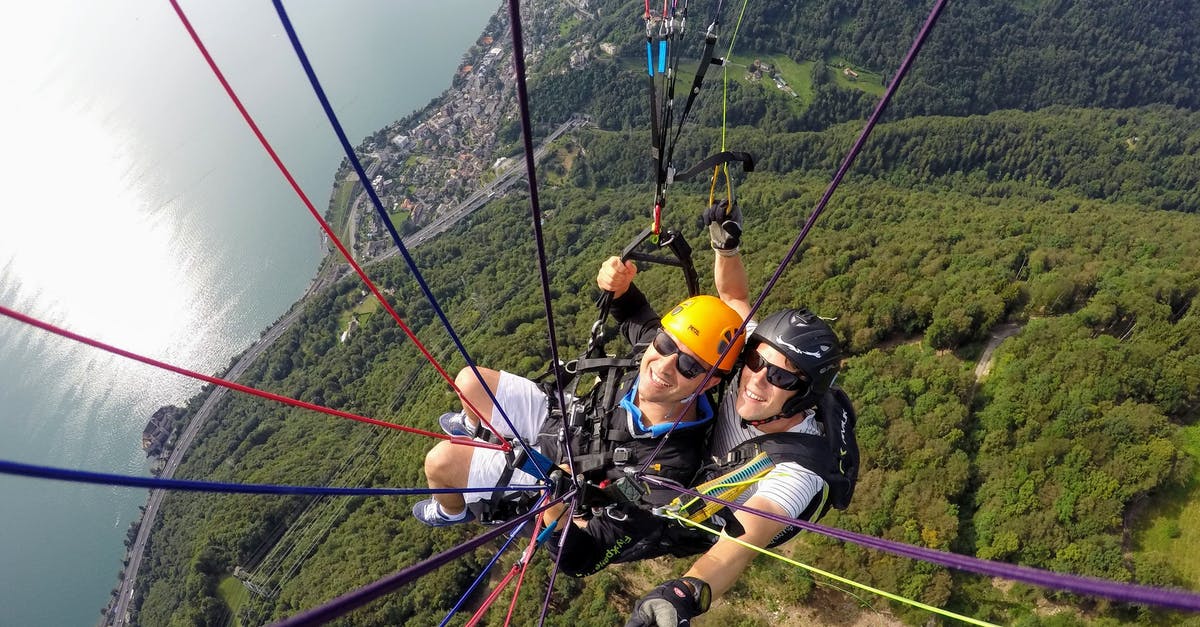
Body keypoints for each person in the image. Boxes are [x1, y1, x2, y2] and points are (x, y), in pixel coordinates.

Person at [612, 202, 860, 626]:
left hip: (709, 509)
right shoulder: (754, 359)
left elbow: (741, 542)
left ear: (804, 396)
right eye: (754, 363)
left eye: (782, 379)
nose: (757, 380)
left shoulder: (797, 473)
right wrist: (726, 250)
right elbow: (734, 298)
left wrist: (684, 593)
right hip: (702, 457)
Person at [414, 280, 747, 575]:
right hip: (566, 420)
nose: (664, 364)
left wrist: (557, 508)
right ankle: (476, 428)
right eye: (665, 344)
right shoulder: (654, 350)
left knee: (441, 463)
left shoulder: (669, 470)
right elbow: (632, 309)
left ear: (708, 383)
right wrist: (618, 283)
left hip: (556, 480)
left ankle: (452, 510)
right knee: (470, 381)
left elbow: (581, 558)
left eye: (689, 366)